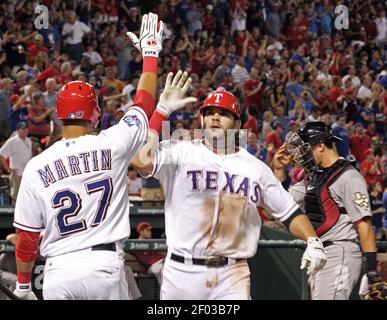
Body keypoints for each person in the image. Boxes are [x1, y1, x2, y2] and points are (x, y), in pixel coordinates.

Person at [131, 72, 327, 300]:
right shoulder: (180, 151)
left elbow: (289, 211)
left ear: (237, 124)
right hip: (182, 273)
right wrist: (162, 110)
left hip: (232, 274)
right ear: (201, 120)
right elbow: (138, 159)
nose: (215, 117)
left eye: (223, 114)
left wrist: (313, 240)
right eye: (210, 112)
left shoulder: (255, 168)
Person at [12, 12, 164, 300]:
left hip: (58, 271)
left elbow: (28, 237)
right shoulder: (114, 143)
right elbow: (144, 103)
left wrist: (22, 284)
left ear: (59, 115)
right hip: (103, 266)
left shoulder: (36, 166)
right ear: (96, 114)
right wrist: (151, 54)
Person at [274, 121, 383, 299]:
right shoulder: (314, 176)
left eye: (306, 148)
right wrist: (279, 171)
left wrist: (371, 272)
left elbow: (364, 225)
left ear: (321, 146)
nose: (302, 154)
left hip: (340, 250)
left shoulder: (349, 176)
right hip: (320, 254)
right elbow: (281, 203)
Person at [0, 122, 32, 205]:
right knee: (15, 197)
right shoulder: (12, 141)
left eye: (26, 128)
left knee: (25, 197)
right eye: (23, 128)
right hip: (17, 174)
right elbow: (1, 154)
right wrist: (8, 168)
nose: (25, 130)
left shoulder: (28, 140)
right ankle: (13, 216)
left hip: (27, 174)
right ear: (18, 130)